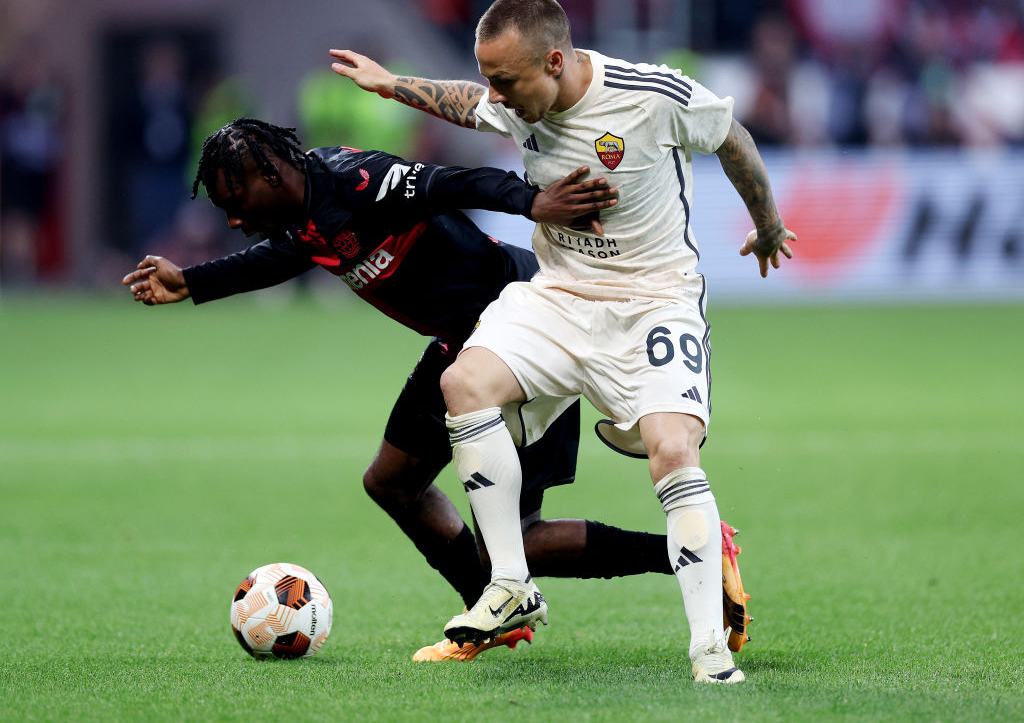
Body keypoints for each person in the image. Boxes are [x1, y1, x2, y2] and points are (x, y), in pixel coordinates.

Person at [121, 117, 744, 662]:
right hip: (459, 345)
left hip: (524, 336)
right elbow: (284, 255)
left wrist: (534, 203)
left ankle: (691, 549)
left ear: (273, 173)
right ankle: (489, 608)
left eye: (236, 196)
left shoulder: (357, 181)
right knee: (390, 483)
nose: (232, 215)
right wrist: (193, 283)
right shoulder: (306, 216)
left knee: (522, 537)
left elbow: (457, 182)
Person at [330, 0, 795, 683]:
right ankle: (510, 587)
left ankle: (709, 651)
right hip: (559, 294)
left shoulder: (651, 95)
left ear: (554, 61)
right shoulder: (519, 93)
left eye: (507, 81)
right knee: (465, 383)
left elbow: (734, 139)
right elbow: (465, 98)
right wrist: (393, 85)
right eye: (490, 78)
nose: (496, 96)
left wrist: (765, 221)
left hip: (653, 304)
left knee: (672, 448)